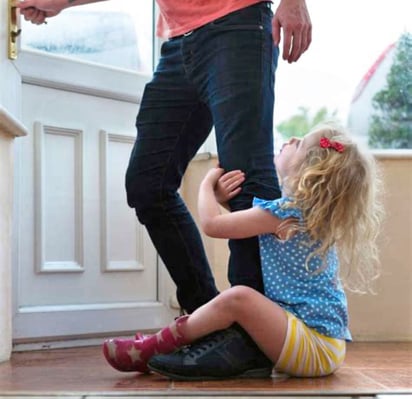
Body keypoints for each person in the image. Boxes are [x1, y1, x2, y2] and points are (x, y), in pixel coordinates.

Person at [19, 0, 312, 379]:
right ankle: (211, 320)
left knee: (245, 179)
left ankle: (249, 339)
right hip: (178, 45)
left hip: (236, 25)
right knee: (147, 184)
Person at [102, 123, 383, 379]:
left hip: (313, 346)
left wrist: (207, 188)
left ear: (308, 171)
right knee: (239, 299)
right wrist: (226, 204)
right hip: (323, 346)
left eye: (299, 144)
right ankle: (161, 344)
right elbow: (249, 228)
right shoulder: (300, 216)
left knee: (239, 298)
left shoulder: (287, 213)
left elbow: (213, 225)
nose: (292, 138)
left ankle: (152, 347)